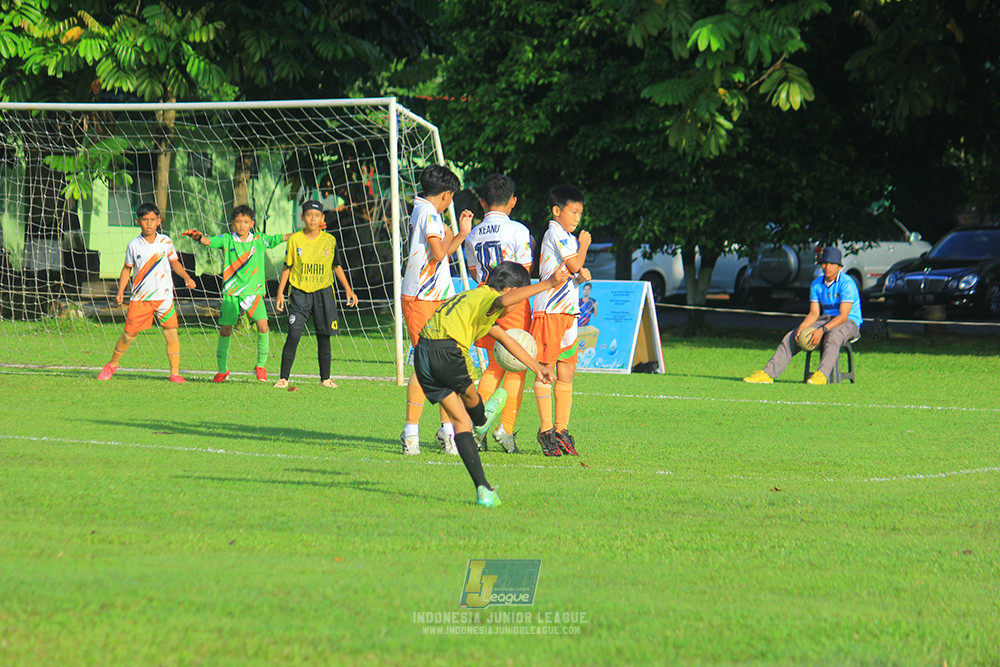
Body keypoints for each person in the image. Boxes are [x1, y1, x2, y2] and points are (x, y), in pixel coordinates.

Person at [413, 261, 571, 507]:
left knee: (460, 422)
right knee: (473, 408)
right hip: (447, 350)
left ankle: (483, 489)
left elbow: (506, 339)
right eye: (518, 300)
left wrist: (536, 367)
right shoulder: (491, 298)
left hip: (423, 353)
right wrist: (549, 283)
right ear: (509, 290)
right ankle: (483, 419)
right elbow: (503, 302)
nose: (516, 307)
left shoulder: (472, 297)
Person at [399, 165, 473, 456]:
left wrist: (451, 234)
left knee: (444, 362)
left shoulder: (423, 210)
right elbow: (440, 252)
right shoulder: (429, 213)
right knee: (425, 364)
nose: (451, 202)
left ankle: (447, 431)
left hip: (435, 297)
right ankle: (411, 433)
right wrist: (461, 234)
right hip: (422, 298)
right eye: (451, 197)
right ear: (445, 194)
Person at [463, 174, 533, 453]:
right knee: (516, 365)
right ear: (513, 201)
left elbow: (471, 271)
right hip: (512, 302)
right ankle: (504, 428)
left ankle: (476, 426)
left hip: (484, 302)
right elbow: (523, 270)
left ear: (482, 202)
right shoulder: (518, 230)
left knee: (493, 365)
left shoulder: (474, 233)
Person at [183, 205, 292, 383]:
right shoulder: (227, 240)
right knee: (226, 330)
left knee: (263, 326)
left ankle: (261, 366)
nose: (242, 225)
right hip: (232, 293)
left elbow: (284, 237)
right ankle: (222, 370)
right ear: (233, 223)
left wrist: (307, 231)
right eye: (239, 221)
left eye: (246, 222)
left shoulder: (259, 240)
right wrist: (198, 237)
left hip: (253, 293)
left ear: (252, 223)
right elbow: (208, 241)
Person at [98, 202, 196, 382]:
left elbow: (174, 263)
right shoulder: (134, 245)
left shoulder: (166, 242)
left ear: (158, 221)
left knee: (171, 332)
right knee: (129, 335)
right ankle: (112, 364)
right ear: (138, 221)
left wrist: (187, 277)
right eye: (145, 220)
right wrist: (121, 291)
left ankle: (174, 373)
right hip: (141, 299)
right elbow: (127, 269)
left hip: (164, 297)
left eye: (152, 220)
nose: (149, 223)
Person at [530, 185, 591, 456]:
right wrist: (585, 245)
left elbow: (572, 271)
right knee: (546, 370)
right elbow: (576, 264)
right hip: (551, 311)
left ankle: (561, 429)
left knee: (566, 372)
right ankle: (546, 431)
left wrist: (580, 276)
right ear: (557, 211)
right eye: (573, 211)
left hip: (568, 312)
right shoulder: (556, 232)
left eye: (580, 212)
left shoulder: (566, 236)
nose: (578, 218)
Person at [744, 247, 862, 385]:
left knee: (833, 336)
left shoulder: (847, 283)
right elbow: (814, 313)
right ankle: (768, 374)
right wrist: (801, 329)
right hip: (826, 319)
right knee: (791, 336)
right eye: (824, 263)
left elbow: (843, 316)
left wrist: (821, 330)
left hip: (849, 322)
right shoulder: (817, 283)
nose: (827, 267)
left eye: (831, 263)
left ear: (839, 266)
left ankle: (821, 375)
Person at [274, 200, 359, 388]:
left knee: (324, 335)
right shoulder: (295, 239)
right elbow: (287, 267)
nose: (313, 218)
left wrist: (348, 289)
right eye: (309, 215)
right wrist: (280, 293)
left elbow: (336, 266)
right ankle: (283, 377)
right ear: (303, 217)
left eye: (317, 215)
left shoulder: (329, 240)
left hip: (324, 292)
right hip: (299, 292)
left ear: (322, 218)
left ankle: (325, 378)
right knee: (294, 334)